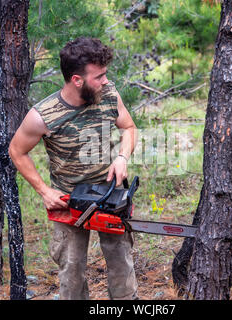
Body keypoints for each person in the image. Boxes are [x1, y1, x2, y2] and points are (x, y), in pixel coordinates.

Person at [8, 37, 138, 300]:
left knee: (121, 264)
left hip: (109, 195)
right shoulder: (43, 115)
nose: (105, 81)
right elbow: (16, 151)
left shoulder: (109, 94)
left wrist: (123, 157)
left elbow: (129, 127)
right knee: (72, 273)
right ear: (77, 80)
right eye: (98, 76)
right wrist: (44, 191)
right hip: (69, 202)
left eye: (105, 74)